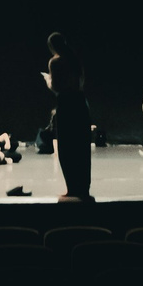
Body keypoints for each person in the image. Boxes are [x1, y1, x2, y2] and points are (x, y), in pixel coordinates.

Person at [45, 32, 95, 203]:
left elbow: (57, 86)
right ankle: (83, 189)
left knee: (67, 149)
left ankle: (72, 189)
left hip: (66, 105)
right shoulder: (75, 60)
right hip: (81, 104)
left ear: (52, 47)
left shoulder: (56, 62)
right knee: (81, 148)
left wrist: (48, 81)